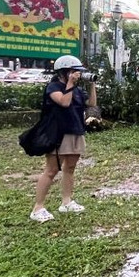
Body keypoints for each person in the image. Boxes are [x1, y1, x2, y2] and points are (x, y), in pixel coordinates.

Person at [30, 55, 96, 223]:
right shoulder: (53, 87)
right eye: (74, 71)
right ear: (64, 72)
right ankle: (38, 208)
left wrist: (92, 84)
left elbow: (92, 104)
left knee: (70, 168)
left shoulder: (77, 90)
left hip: (76, 131)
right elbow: (64, 102)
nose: (78, 74)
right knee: (51, 170)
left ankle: (66, 202)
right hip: (58, 134)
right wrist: (70, 83)